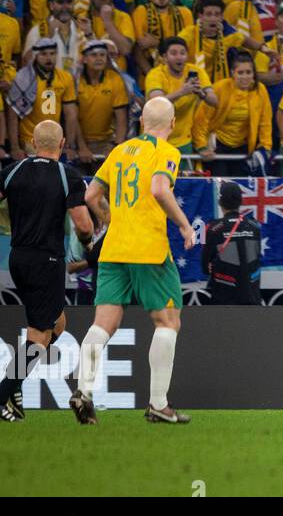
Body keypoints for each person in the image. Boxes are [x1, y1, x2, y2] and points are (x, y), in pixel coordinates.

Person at [73, 97, 197, 425]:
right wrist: (184, 224)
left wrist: (108, 219)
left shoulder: (119, 151)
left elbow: (90, 196)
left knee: (103, 324)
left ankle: (83, 391)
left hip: (114, 249)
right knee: (168, 322)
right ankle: (158, 403)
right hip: (148, 249)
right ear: (172, 125)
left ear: (142, 121)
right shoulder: (167, 151)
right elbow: (159, 189)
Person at [0, 120, 95, 421]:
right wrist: (88, 242)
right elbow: (82, 224)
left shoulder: (12, 171)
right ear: (63, 143)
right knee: (41, 334)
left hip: (18, 258)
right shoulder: (68, 176)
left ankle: (14, 386)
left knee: (58, 323)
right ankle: (5, 393)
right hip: (47, 261)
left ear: (32, 141)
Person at [201, 180, 263, 306]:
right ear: (241, 201)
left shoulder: (211, 228)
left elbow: (204, 267)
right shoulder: (254, 226)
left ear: (220, 202)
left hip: (224, 299)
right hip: (252, 296)